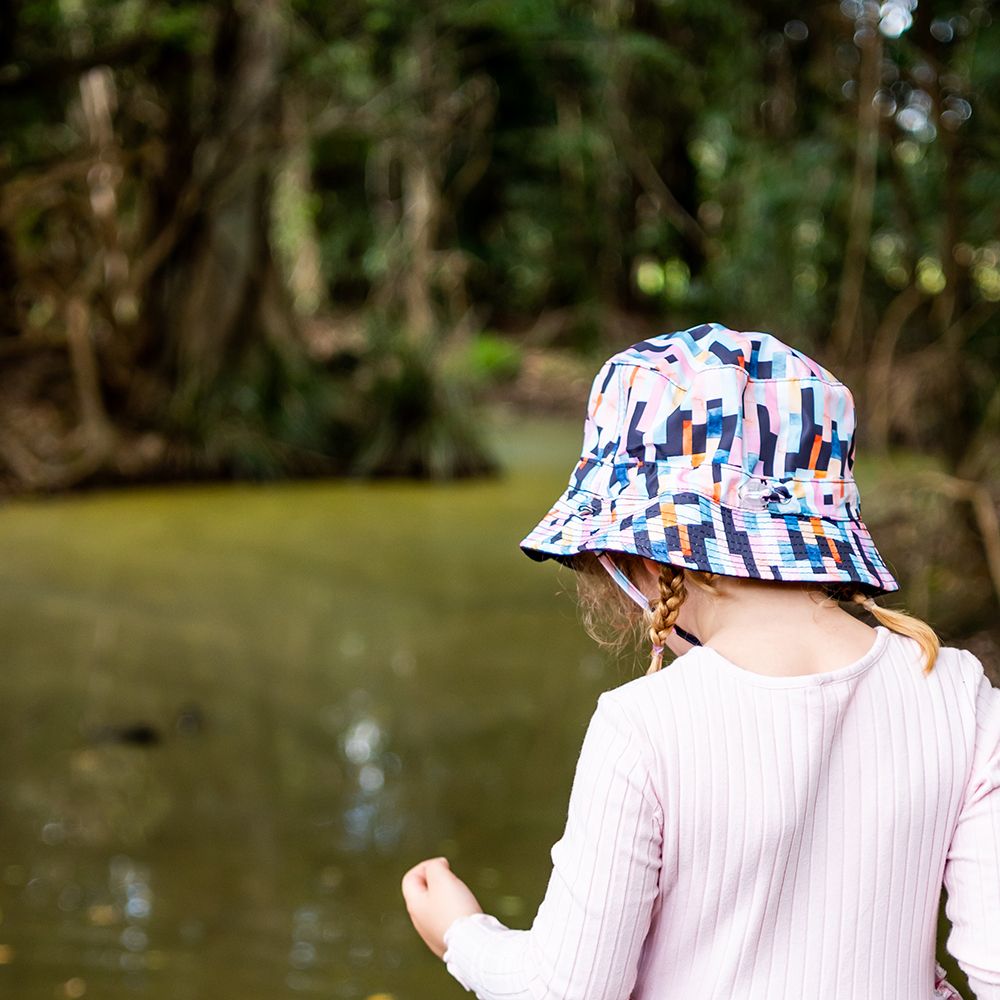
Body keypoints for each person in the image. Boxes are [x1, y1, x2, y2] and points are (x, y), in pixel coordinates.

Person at [400, 323, 1000, 1000]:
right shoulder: (959, 694)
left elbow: (570, 990)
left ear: (647, 552)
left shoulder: (642, 727)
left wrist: (463, 935)